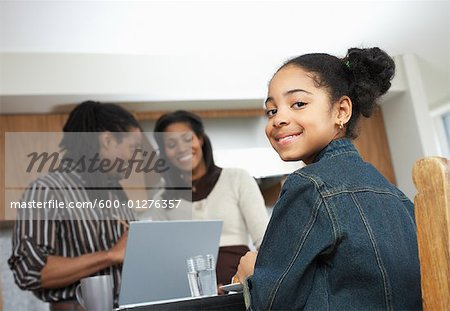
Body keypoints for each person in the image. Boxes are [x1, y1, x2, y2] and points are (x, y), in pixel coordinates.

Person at [235, 47, 422, 310]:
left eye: (298, 103)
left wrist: (251, 276)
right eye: (272, 111)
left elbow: (272, 302)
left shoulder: (308, 186)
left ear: (341, 111)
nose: (278, 119)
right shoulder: (394, 194)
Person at [8, 101, 142, 310]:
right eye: (132, 148)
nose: (136, 157)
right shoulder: (47, 190)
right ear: (107, 141)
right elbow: (30, 270)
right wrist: (109, 256)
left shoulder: (115, 192)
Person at [149, 110, 269, 288]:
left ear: (200, 139)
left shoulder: (237, 178)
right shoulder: (161, 200)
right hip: (190, 297)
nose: (182, 148)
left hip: (240, 290)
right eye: (171, 144)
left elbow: (265, 241)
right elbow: (162, 261)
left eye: (187, 138)